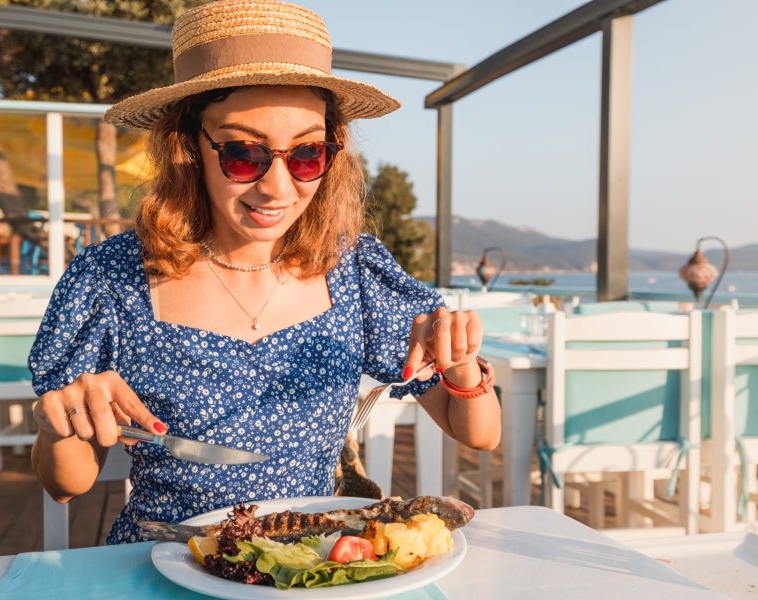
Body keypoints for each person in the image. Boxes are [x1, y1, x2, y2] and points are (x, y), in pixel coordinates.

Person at [30, 0, 501, 544]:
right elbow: (66, 484)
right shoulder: (111, 278)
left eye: (306, 154)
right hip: (167, 563)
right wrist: (59, 420)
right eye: (243, 154)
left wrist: (462, 365)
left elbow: (480, 433)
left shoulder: (355, 271)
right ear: (189, 147)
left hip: (316, 558)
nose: (278, 187)